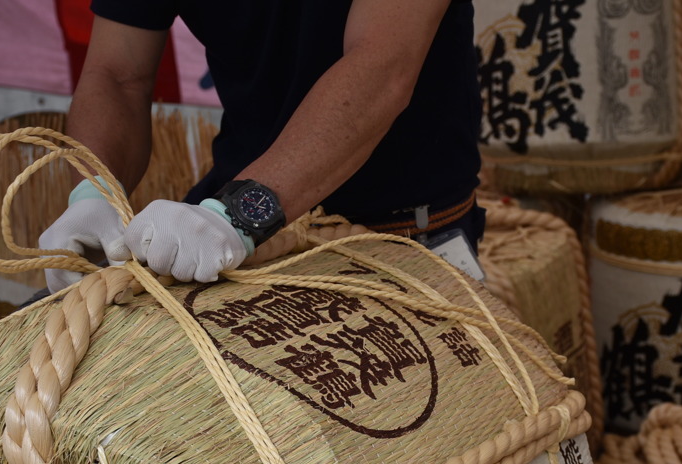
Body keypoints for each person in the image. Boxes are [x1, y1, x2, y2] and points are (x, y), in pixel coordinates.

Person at [39, 0, 484, 292]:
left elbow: (381, 66)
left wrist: (240, 213)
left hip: (400, 222)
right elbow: (117, 73)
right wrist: (94, 189)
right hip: (226, 209)